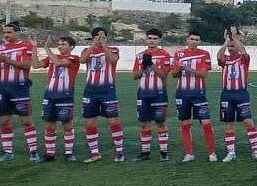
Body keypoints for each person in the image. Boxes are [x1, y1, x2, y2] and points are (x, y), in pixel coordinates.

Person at [0, 22, 39, 162]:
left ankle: (34, 152)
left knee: (26, 121)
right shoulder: (0, 48)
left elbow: (27, 65)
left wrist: (6, 59)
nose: (6, 35)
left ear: (17, 33)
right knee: (4, 121)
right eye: (4, 32)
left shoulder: (26, 46)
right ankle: (8, 152)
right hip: (3, 89)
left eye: (9, 32)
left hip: (19, 88)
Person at [217, 27, 257, 162]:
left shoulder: (243, 59)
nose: (230, 48)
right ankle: (231, 152)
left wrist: (235, 38)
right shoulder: (225, 59)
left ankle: (255, 151)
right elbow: (219, 57)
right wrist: (226, 41)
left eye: (233, 46)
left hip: (241, 94)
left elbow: (244, 51)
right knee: (229, 124)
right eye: (229, 46)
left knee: (248, 122)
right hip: (226, 94)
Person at [171, 30, 217, 163]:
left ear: (199, 41)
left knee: (206, 124)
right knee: (185, 124)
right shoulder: (179, 54)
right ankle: (189, 154)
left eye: (196, 40)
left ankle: (212, 153)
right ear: (187, 39)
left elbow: (203, 74)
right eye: (192, 39)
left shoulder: (204, 54)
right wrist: (179, 68)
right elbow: (173, 74)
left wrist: (186, 68)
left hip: (199, 94)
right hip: (182, 94)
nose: (194, 42)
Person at [80, 26, 124, 163]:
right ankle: (95, 153)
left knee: (113, 121)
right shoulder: (86, 50)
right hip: (90, 91)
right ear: (93, 37)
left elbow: (113, 60)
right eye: (98, 36)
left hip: (108, 91)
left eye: (103, 36)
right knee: (90, 123)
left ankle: (119, 152)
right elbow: (82, 60)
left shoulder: (113, 49)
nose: (100, 38)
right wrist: (93, 45)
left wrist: (104, 45)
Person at [38, 35, 81, 162]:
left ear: (72, 47)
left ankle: (69, 153)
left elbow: (58, 63)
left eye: (63, 44)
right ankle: (50, 154)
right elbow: (35, 65)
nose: (60, 46)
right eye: (59, 44)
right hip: (49, 96)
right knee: (49, 124)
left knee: (67, 124)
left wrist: (46, 48)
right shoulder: (52, 57)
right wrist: (34, 47)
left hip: (65, 96)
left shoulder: (74, 58)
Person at [131, 28, 172, 162]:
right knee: (144, 123)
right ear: (146, 39)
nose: (152, 41)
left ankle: (164, 153)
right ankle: (145, 153)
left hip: (159, 94)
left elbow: (164, 75)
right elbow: (135, 76)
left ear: (159, 40)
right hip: (143, 94)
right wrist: (144, 66)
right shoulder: (140, 55)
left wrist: (152, 64)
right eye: (150, 38)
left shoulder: (164, 55)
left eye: (155, 39)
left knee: (160, 122)